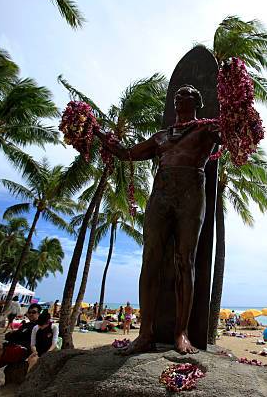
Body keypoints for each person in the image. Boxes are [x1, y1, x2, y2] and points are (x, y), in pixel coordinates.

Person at [97, 84, 221, 354]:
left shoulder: (206, 129)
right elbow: (128, 154)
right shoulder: (161, 137)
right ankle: (145, 334)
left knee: (185, 261)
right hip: (161, 193)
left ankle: (181, 333)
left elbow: (234, 134)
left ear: (197, 100)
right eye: (177, 94)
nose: (179, 96)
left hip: (191, 190)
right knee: (150, 258)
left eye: (186, 92)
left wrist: (239, 105)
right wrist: (97, 132)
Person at [0, 303, 42, 389]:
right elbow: (9, 336)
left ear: (39, 314)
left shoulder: (38, 327)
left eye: (33, 312)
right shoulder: (25, 325)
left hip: (22, 350)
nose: (30, 314)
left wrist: (15, 334)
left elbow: (20, 336)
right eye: (29, 312)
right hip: (10, 348)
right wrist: (15, 334)